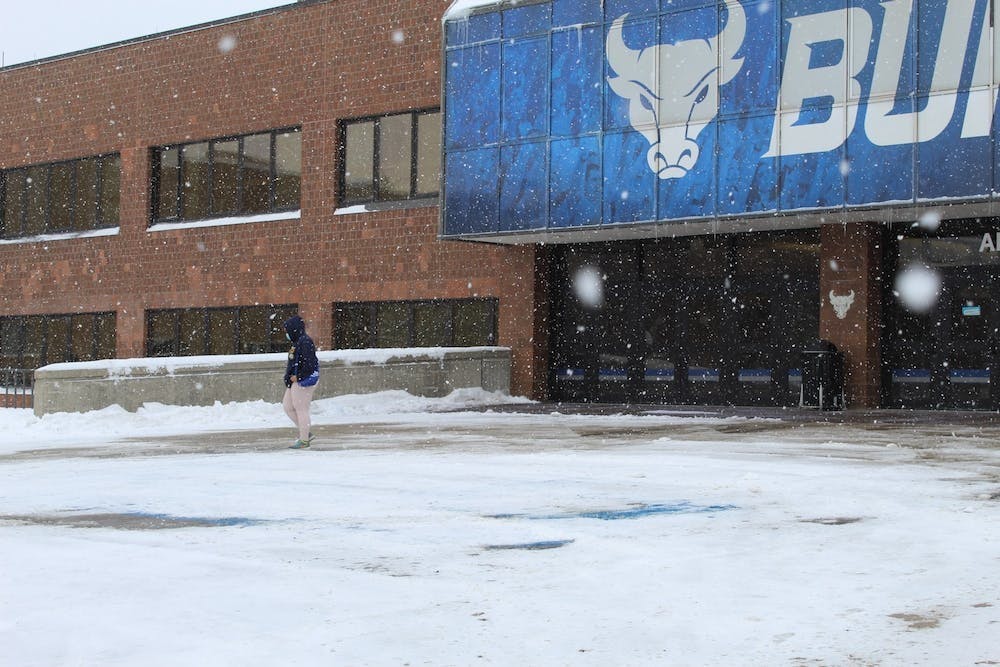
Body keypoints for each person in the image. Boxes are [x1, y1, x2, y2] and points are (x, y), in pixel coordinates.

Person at [282, 315, 319, 449]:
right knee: (288, 406)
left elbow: (310, 364)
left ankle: (304, 440)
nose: (286, 334)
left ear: (294, 329)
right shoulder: (297, 342)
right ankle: (306, 433)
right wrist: (289, 378)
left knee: (301, 409)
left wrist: (298, 376)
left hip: (303, 381)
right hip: (294, 381)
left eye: (287, 330)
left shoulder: (305, 342)